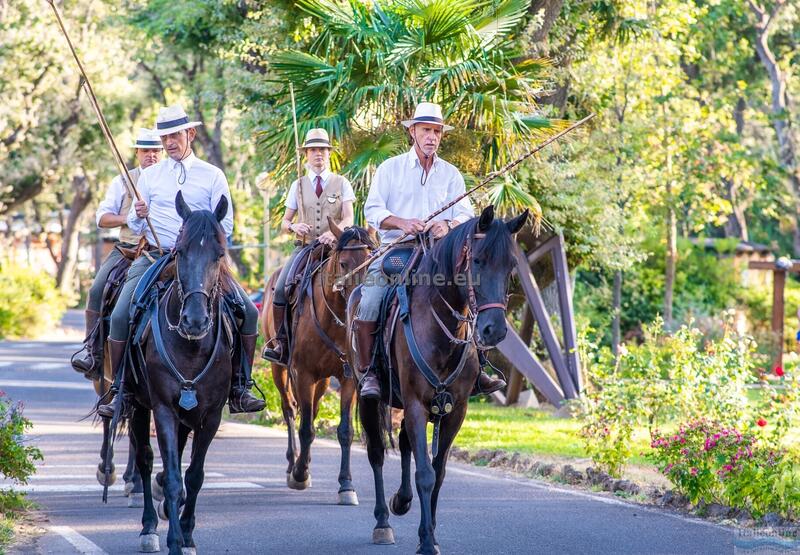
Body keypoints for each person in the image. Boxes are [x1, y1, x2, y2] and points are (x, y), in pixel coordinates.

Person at [97, 105, 265, 417]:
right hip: (157, 257)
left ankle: (241, 386)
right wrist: (138, 214)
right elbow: (134, 225)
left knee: (248, 313)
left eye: (175, 134)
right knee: (121, 315)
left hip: (202, 262)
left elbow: (225, 226)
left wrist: (201, 244)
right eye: (164, 137)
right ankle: (119, 390)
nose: (169, 142)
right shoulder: (150, 175)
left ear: (190, 133)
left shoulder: (213, 175)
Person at [355, 102, 507, 399]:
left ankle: (478, 370)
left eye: (436, 131)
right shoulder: (390, 168)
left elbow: (466, 215)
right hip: (399, 249)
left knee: (473, 293)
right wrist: (402, 222)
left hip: (440, 253)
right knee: (372, 297)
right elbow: (373, 210)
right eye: (426, 130)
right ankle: (370, 371)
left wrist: (447, 225)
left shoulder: (451, 174)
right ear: (412, 131)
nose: (432, 137)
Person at [71, 128, 162, 379]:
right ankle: (93, 353)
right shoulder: (123, 181)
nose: (151, 155)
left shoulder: (171, 179)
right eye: (146, 150)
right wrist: (129, 218)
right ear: (137, 153)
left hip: (162, 251)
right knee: (97, 289)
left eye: (156, 150)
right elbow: (102, 218)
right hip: (128, 250)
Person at [262, 128, 356, 364]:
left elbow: (349, 219)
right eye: (313, 150)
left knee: (358, 284)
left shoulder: (341, 183)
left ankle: (360, 342)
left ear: (328, 153)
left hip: (335, 249)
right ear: (306, 155)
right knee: (282, 287)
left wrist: (334, 234)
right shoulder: (298, 185)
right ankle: (282, 342)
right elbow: (284, 222)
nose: (318, 154)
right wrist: (294, 227)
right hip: (305, 248)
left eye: (322, 150)